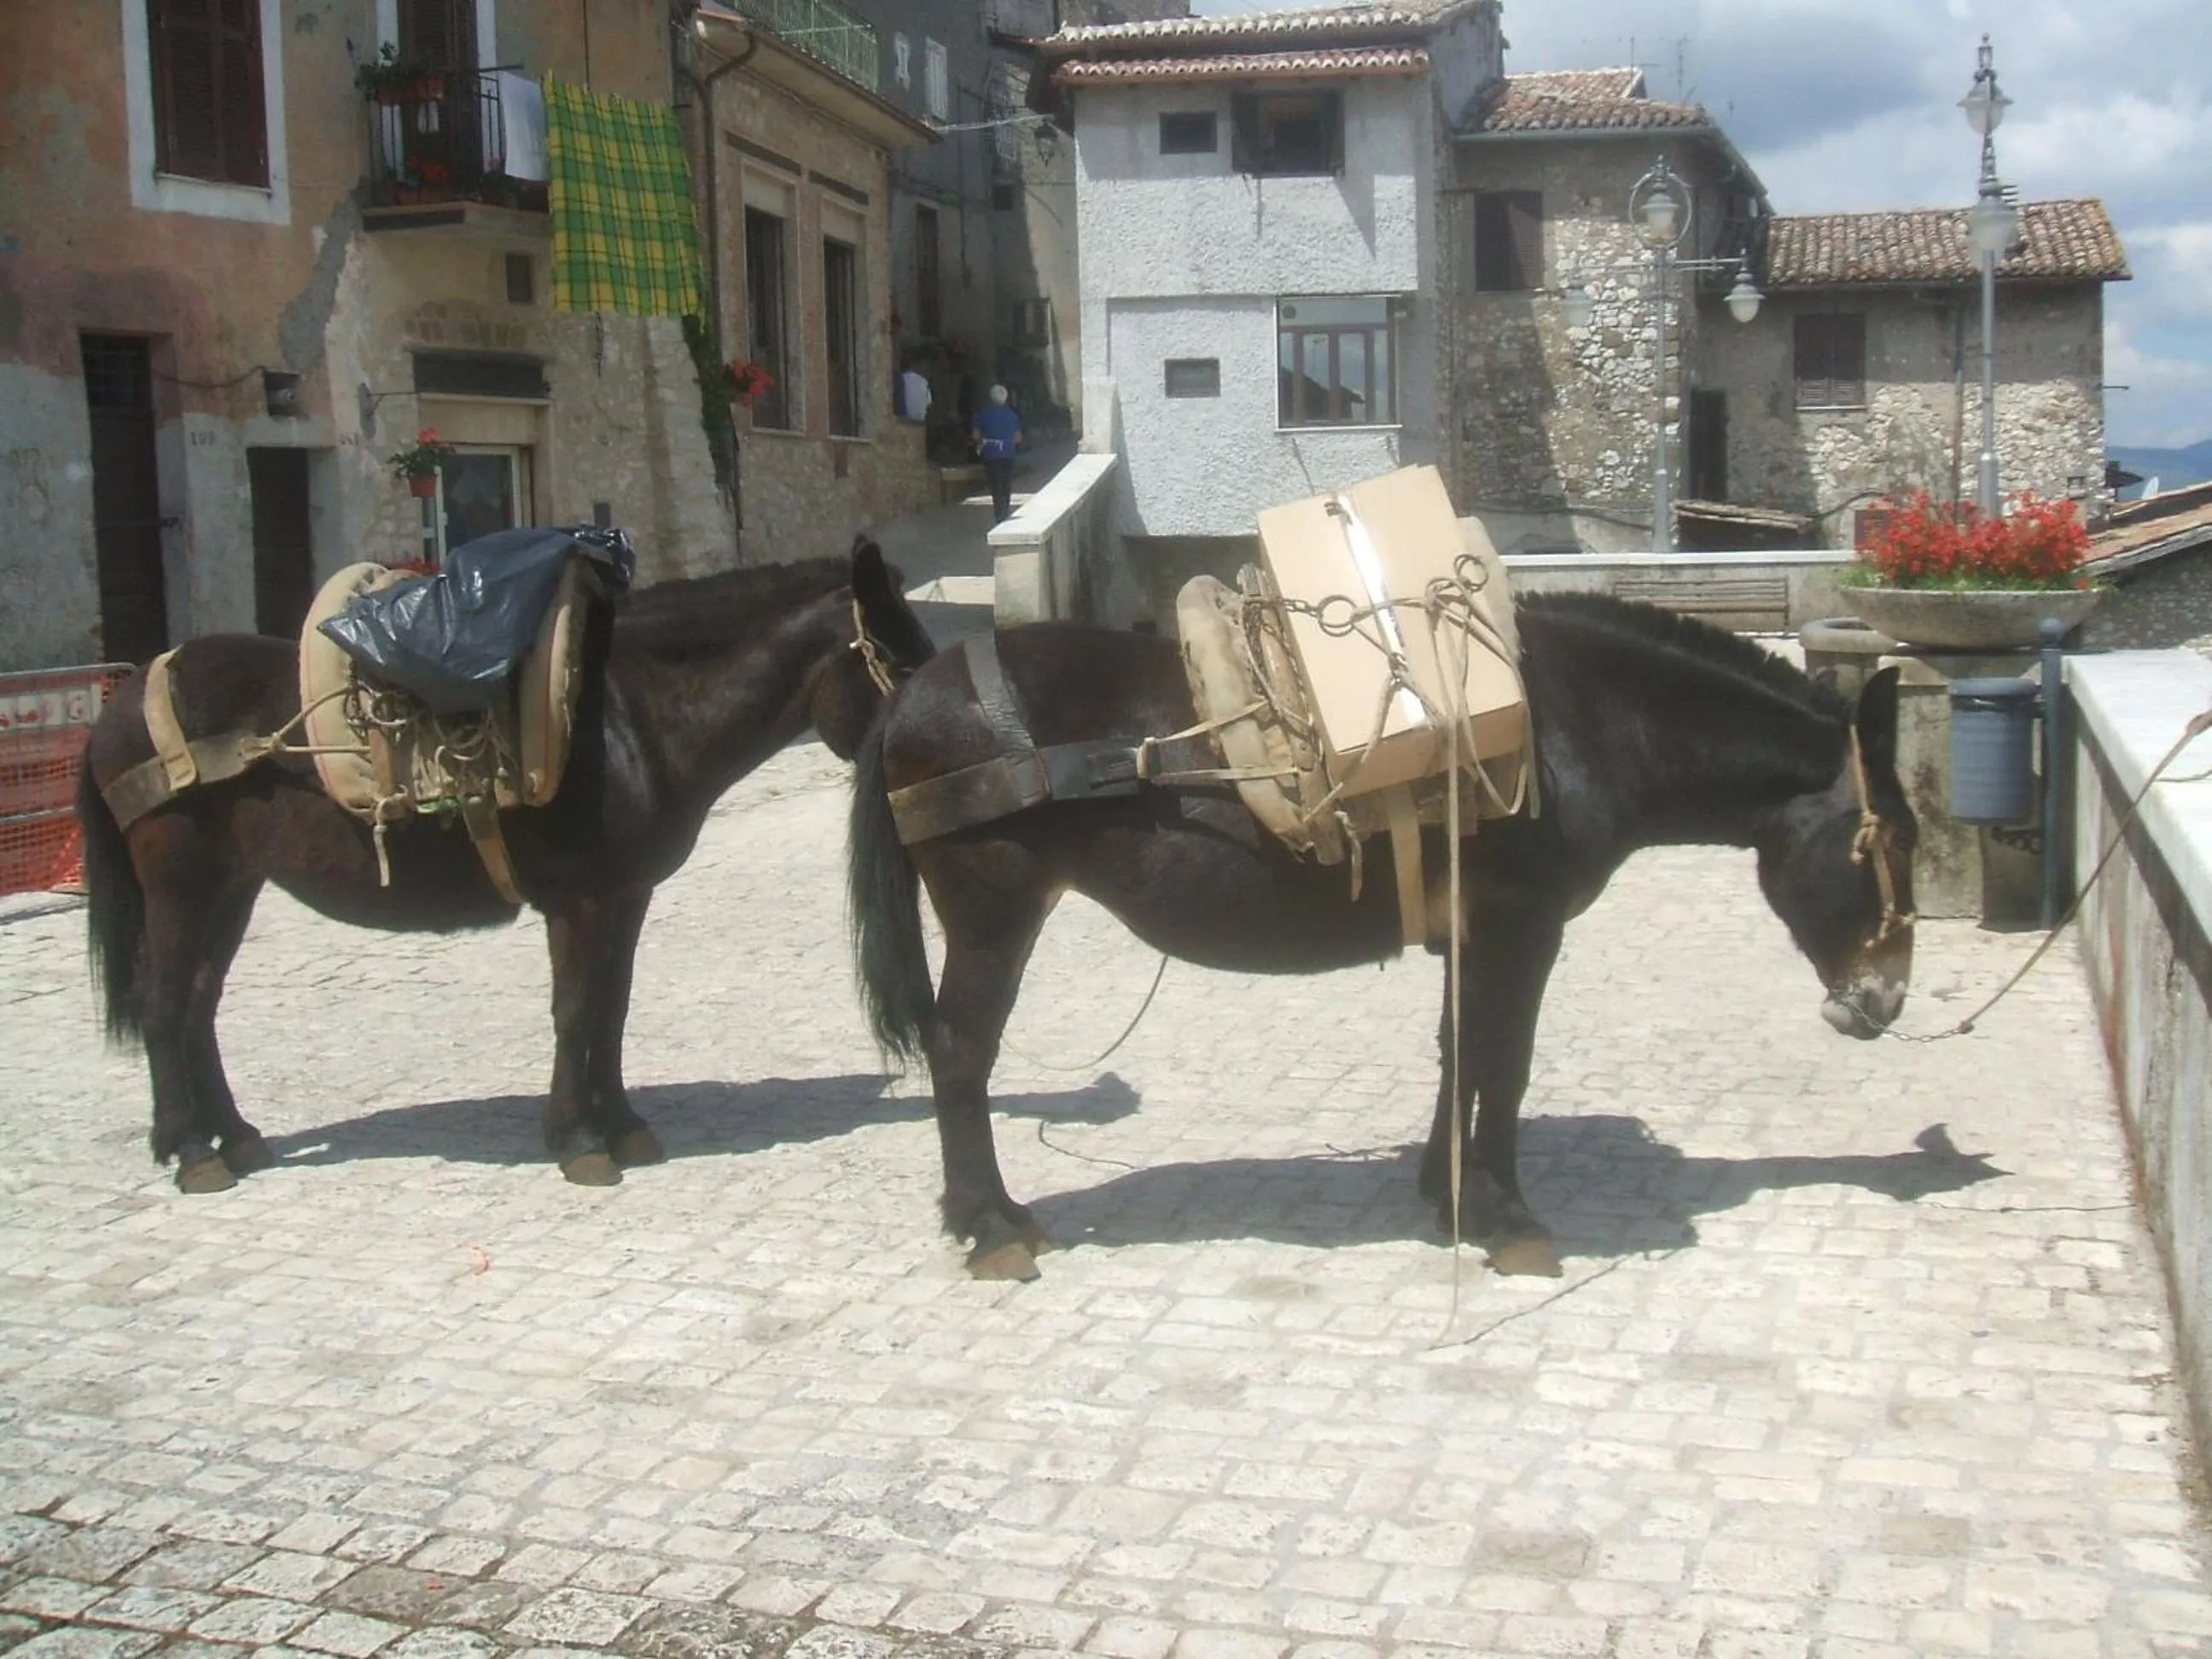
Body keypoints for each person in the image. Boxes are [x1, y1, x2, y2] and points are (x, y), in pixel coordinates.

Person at [971, 384, 1023, 524]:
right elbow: (1018, 437)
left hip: (991, 453)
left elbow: (975, 435)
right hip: (1008, 452)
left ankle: (999, 514)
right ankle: (1005, 511)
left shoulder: (983, 413)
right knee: (1006, 483)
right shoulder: (1012, 414)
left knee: (996, 484)